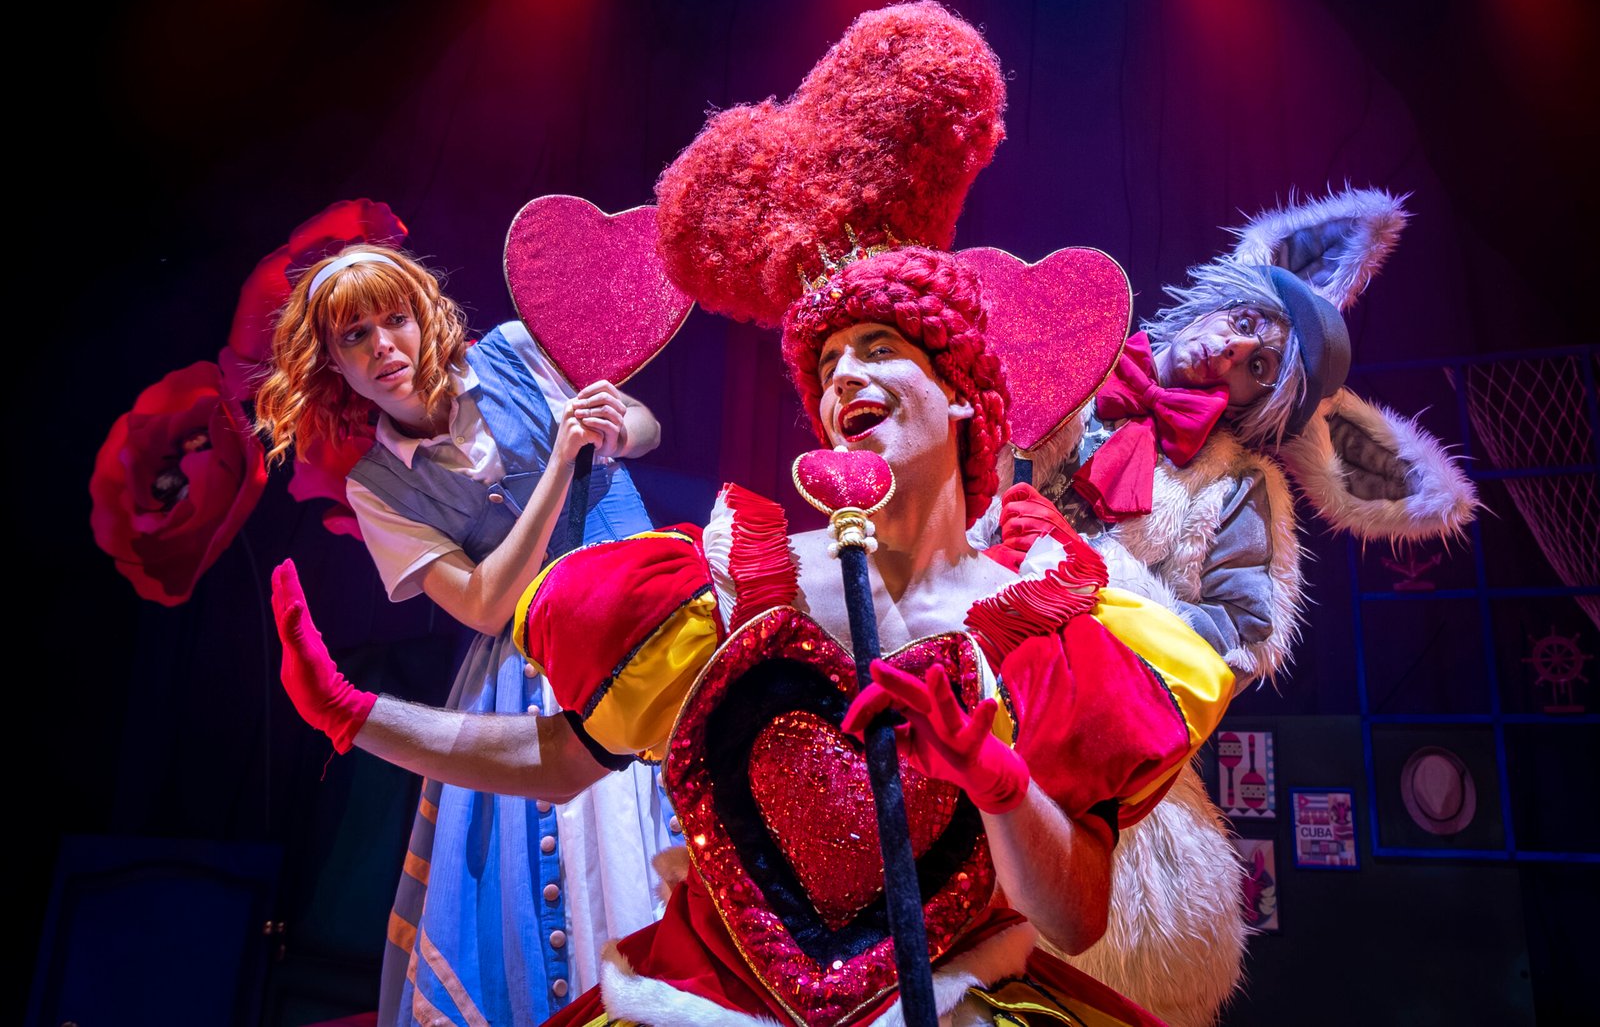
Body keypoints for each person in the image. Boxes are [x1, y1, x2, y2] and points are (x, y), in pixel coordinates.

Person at [269, 244, 1237, 1026]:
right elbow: (560, 759)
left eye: (877, 346)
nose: (842, 373)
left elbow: (1072, 917)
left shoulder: (1046, 626)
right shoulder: (731, 585)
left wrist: (1001, 784)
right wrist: (357, 716)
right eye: (826, 364)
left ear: (956, 395)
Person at [983, 188, 1475, 1026]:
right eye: (1244, 323)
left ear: (1264, 406)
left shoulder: (1240, 487)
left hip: (1094, 750)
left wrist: (1092, 577)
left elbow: (1239, 641)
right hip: (962, 666)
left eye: (1258, 367)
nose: (1230, 350)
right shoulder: (1080, 365)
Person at [254, 242, 678, 1026]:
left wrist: (616, 427)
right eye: (355, 336)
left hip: (656, 622)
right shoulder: (377, 487)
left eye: (395, 319)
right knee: (556, 896)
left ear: (423, 317)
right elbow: (485, 604)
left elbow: (645, 426)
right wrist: (562, 462)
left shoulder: (514, 351)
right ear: (332, 363)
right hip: (536, 669)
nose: (384, 346)